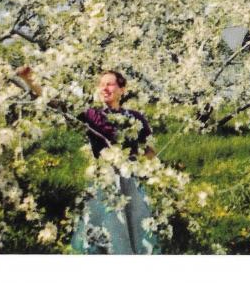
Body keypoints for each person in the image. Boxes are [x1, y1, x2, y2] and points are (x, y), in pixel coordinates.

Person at [16, 67, 159, 254]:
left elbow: (150, 150)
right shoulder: (92, 114)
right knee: (106, 231)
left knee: (135, 232)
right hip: (104, 181)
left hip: (129, 180)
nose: (105, 88)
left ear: (122, 89)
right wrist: (29, 79)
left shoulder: (135, 118)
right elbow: (55, 103)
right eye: (101, 85)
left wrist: (141, 167)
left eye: (110, 84)